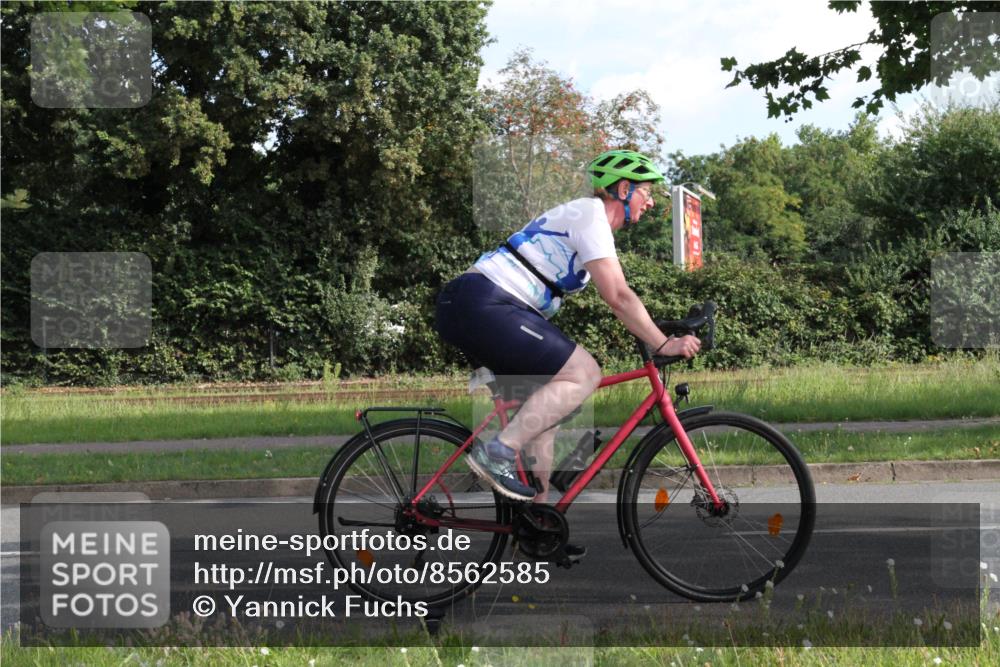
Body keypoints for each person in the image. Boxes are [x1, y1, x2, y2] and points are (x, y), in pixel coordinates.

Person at [435, 149, 701, 516]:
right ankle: (496, 452)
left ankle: (538, 519)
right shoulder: (589, 215)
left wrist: (657, 329)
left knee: (545, 416)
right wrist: (664, 342)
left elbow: (620, 298)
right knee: (584, 372)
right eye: (646, 191)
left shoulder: (586, 219)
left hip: (482, 305)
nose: (651, 201)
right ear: (623, 188)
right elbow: (619, 297)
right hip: (486, 304)